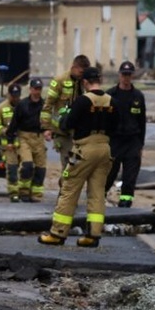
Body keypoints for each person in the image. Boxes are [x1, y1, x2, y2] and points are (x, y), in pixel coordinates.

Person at [38, 67, 114, 247]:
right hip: (105, 148)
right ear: (100, 80)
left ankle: (58, 233)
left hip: (84, 149)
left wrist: (63, 117)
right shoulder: (112, 101)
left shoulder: (82, 101)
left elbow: (67, 124)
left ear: (85, 82)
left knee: (69, 189)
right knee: (97, 193)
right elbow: (118, 125)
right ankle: (93, 235)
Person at [104, 61, 147, 208]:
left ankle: (126, 202)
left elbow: (142, 122)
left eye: (129, 75)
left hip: (132, 141)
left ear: (132, 76)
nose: (126, 77)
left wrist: (140, 145)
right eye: (124, 74)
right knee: (110, 173)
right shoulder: (110, 95)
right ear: (119, 75)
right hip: (114, 141)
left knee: (130, 176)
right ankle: (100, 196)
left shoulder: (138, 96)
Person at [42, 55, 90, 173]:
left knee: (79, 165)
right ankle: (65, 191)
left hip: (79, 131)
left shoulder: (83, 82)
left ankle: (68, 190)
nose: (82, 75)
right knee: (68, 166)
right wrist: (46, 128)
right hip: (62, 131)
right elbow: (48, 105)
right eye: (81, 72)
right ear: (73, 67)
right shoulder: (59, 81)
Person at [7, 78, 47, 202]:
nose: (37, 91)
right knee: (27, 165)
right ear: (30, 89)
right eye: (35, 89)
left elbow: (49, 120)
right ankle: (23, 192)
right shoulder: (22, 105)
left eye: (39, 89)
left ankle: (36, 194)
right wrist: (10, 140)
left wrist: (50, 131)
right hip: (25, 137)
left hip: (39, 138)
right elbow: (14, 124)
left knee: (41, 168)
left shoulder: (45, 105)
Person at [0, 83, 22, 202]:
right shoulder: (1, 107)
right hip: (8, 146)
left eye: (17, 95)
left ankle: (25, 192)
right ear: (9, 95)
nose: (15, 98)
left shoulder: (24, 106)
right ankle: (14, 193)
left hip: (23, 144)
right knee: (12, 169)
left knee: (26, 169)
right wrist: (5, 131)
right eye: (13, 95)